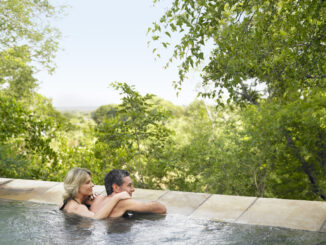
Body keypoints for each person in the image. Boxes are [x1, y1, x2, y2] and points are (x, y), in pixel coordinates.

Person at [89, 169, 166, 217]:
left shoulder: (97, 198)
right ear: (116, 188)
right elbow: (161, 209)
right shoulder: (122, 202)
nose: (133, 189)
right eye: (129, 186)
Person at [60, 167, 130, 219]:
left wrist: (86, 198)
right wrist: (116, 198)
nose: (92, 185)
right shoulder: (78, 208)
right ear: (77, 186)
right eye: (88, 183)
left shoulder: (64, 202)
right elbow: (96, 218)